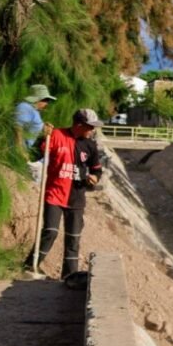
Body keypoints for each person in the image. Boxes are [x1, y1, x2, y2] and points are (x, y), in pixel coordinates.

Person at [26, 108, 104, 278]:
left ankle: (69, 276)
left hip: (76, 198)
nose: (92, 130)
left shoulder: (90, 145)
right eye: (90, 127)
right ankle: (30, 266)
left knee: (73, 238)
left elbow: (97, 170)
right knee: (51, 231)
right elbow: (33, 155)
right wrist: (41, 136)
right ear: (78, 124)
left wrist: (94, 178)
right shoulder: (56, 135)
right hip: (54, 194)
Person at [15, 84, 56, 160]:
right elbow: (17, 128)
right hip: (14, 152)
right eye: (46, 100)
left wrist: (44, 127)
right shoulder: (25, 107)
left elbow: (31, 127)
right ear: (38, 99)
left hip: (23, 151)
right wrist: (20, 150)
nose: (47, 103)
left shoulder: (34, 111)